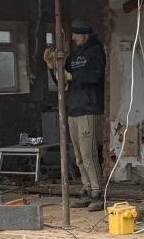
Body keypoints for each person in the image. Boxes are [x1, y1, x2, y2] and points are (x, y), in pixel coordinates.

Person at [44, 18, 106, 212]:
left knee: (89, 154)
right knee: (78, 155)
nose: (72, 38)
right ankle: (86, 190)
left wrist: (73, 75)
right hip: (74, 109)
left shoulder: (96, 52)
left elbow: (95, 76)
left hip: (89, 108)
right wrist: (53, 66)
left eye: (75, 35)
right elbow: (62, 82)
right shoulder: (74, 56)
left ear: (84, 34)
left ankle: (97, 193)